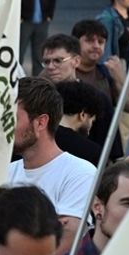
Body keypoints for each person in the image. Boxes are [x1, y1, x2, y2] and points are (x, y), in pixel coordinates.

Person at [0, 77, 96, 254]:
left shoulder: (80, 173)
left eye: (11, 118)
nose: (3, 127)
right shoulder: (4, 173)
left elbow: (65, 241)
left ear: (40, 122)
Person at [41, 33, 124, 161]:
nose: (51, 67)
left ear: (76, 61)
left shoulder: (96, 99)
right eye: (47, 61)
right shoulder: (37, 98)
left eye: (58, 60)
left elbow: (113, 152)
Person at [73, 19, 129, 125]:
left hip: (103, 138)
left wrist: (120, 77)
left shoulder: (106, 73)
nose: (96, 46)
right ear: (75, 43)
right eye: (90, 41)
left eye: (101, 42)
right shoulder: (62, 70)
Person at [53, 79, 107, 164]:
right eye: (92, 120)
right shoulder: (92, 151)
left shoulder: (36, 138)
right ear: (82, 115)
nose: (90, 127)